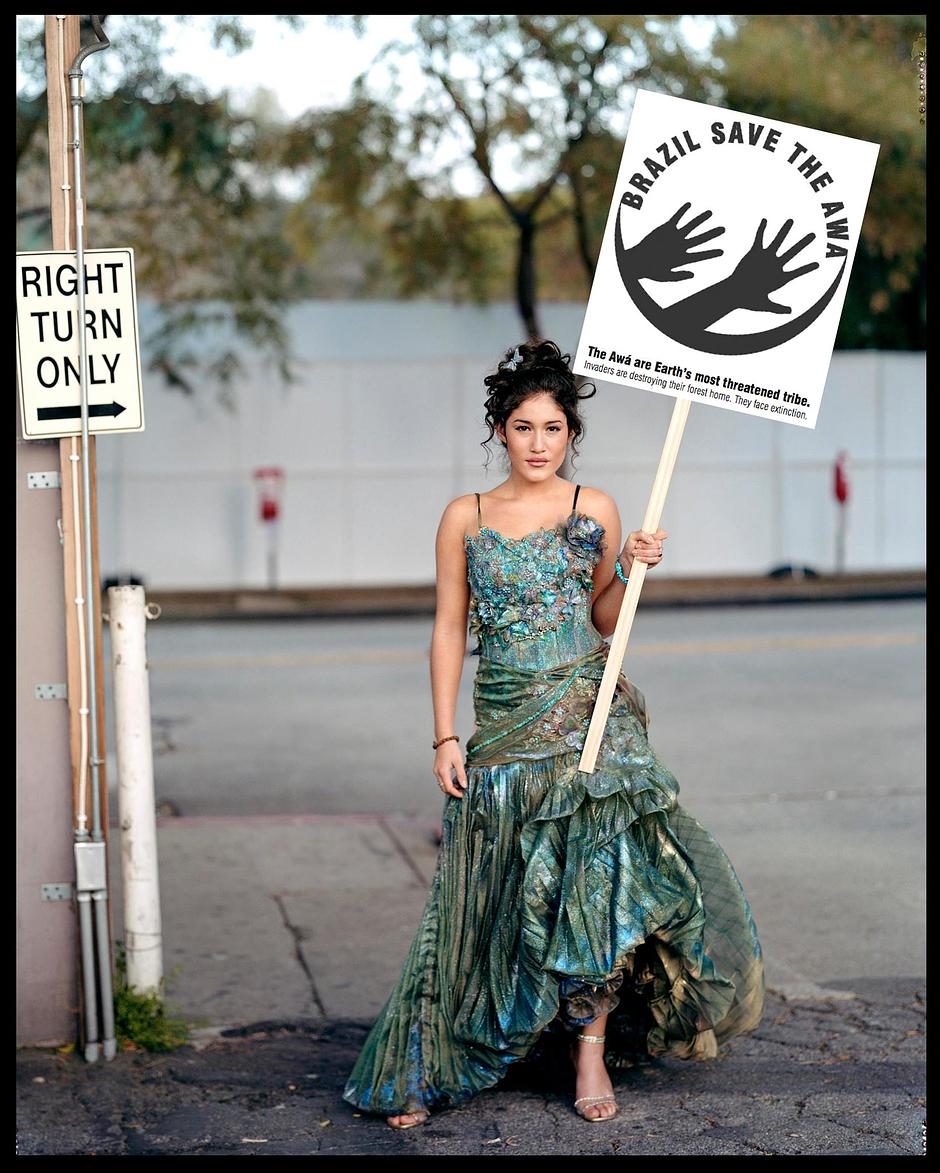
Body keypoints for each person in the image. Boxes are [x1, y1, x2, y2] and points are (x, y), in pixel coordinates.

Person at [341, 338, 765, 1129]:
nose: (540, 442)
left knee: (593, 888)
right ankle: (444, 1049)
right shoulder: (462, 517)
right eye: (524, 425)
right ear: (500, 429)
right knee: (488, 895)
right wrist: (444, 735)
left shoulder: (592, 509)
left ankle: (590, 1053)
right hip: (503, 726)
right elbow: (445, 631)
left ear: (572, 434)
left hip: (586, 717)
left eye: (555, 427)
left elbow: (606, 618)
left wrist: (634, 570)